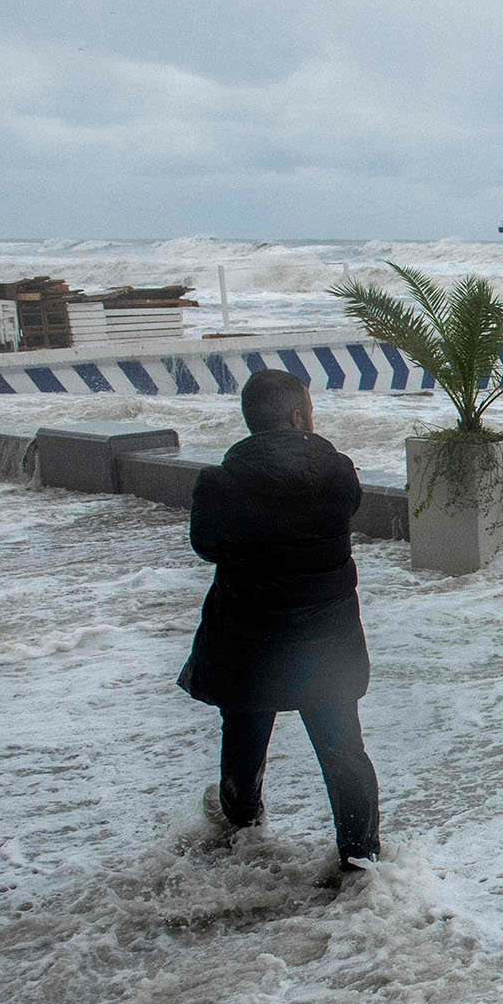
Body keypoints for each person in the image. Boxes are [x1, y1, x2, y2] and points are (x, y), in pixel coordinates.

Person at [178, 369, 380, 872]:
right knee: (344, 755)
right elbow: (346, 510)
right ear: (297, 417)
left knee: (244, 746)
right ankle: (362, 863)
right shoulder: (339, 473)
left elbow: (205, 547)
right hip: (326, 646)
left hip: (249, 642)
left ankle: (243, 846)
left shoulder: (220, 483)